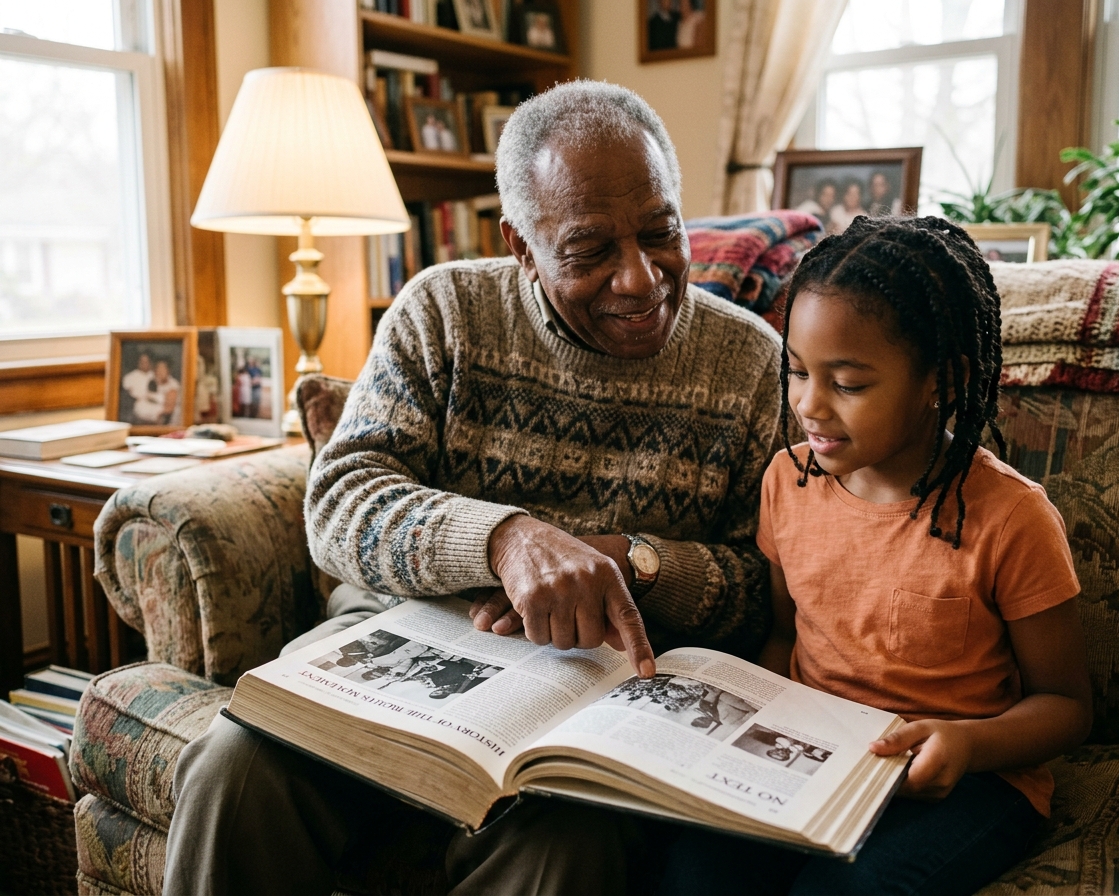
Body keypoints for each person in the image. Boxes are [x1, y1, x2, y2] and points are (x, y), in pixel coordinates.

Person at [163, 80, 783, 896]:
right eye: (591, 250)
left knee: (570, 851)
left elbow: (767, 584)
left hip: (594, 708)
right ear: (521, 246)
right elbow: (341, 497)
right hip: (398, 662)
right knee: (231, 771)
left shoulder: (750, 363)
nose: (640, 279)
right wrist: (506, 539)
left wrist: (634, 564)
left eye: (661, 234)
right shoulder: (445, 311)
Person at [658, 216, 1092, 896]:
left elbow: (1065, 704)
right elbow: (782, 636)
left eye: (849, 384)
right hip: (820, 762)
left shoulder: (1013, 517)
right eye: (797, 371)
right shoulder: (786, 482)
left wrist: (969, 744)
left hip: (971, 781)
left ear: (941, 379)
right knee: (691, 875)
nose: (809, 406)